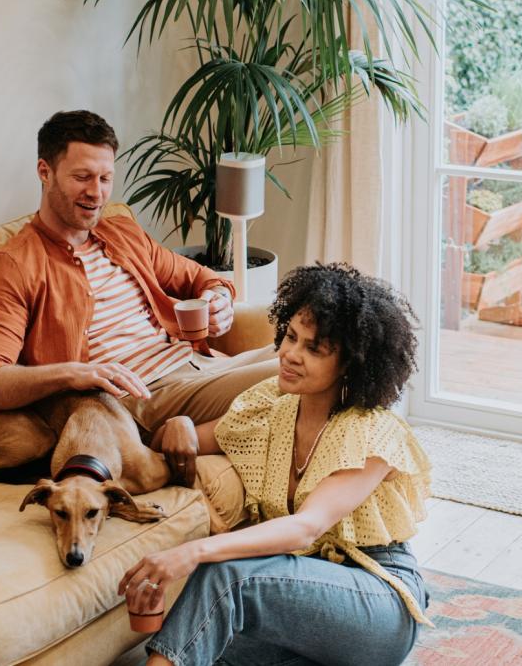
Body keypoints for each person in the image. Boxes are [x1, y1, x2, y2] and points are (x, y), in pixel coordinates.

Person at [120, 263, 433, 666]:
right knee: (201, 641)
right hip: (300, 602)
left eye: (313, 348)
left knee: (225, 577)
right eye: (290, 337)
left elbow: (306, 527)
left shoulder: (372, 431)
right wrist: (177, 425)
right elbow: (190, 439)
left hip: (376, 600)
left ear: (351, 364)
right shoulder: (269, 407)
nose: (290, 355)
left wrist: (194, 552)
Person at [0, 110, 278, 481]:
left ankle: (190, 435)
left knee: (312, 351)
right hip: (140, 396)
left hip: (200, 364)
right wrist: (73, 373)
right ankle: (164, 437)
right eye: (82, 177)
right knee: (295, 374)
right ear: (45, 172)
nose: (97, 192)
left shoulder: (121, 232)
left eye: (105, 178)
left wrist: (218, 297)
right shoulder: (15, 265)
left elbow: (200, 278)